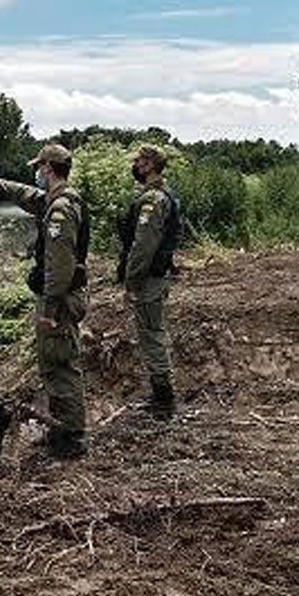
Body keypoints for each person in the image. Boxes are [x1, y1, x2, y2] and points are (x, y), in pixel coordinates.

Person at [0, 144, 91, 458]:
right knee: (53, 363)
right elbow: (24, 194)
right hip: (61, 298)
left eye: (39, 167)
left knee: (61, 366)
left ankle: (71, 437)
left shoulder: (60, 210)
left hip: (59, 301)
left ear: (48, 168)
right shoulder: (57, 200)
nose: (36, 173)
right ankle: (61, 429)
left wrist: (50, 310)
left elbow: (59, 267)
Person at [117, 144, 182, 417]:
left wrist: (131, 282)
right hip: (155, 275)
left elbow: (143, 246)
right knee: (152, 333)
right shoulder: (159, 194)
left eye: (139, 161)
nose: (135, 166)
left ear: (150, 165)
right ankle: (161, 395)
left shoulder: (153, 199)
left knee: (152, 335)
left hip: (149, 279)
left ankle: (164, 399)